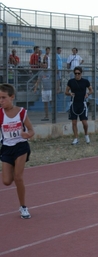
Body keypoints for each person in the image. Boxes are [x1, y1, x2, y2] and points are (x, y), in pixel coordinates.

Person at [0, 84, 35, 219]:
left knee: (18, 178)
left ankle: (23, 207)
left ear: (12, 97)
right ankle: (14, 167)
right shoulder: (0, 114)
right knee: (7, 181)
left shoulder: (21, 112)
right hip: (7, 148)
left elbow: (31, 130)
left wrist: (28, 135)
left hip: (21, 146)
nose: (1, 101)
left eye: (3, 98)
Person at [64, 67, 93, 145]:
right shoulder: (71, 82)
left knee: (84, 122)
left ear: (81, 73)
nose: (77, 75)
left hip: (82, 103)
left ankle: (86, 135)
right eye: (75, 73)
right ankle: (76, 138)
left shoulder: (85, 81)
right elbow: (66, 91)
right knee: (74, 122)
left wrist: (88, 94)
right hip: (73, 104)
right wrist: (70, 93)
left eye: (78, 73)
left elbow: (91, 90)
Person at [33, 47, 52, 121]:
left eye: (45, 65)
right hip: (44, 90)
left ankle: (53, 115)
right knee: (45, 104)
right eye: (43, 65)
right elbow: (38, 81)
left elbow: (56, 79)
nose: (44, 66)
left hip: (50, 89)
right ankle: (46, 116)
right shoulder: (41, 73)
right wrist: (35, 88)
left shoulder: (50, 72)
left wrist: (57, 87)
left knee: (51, 102)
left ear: (47, 65)